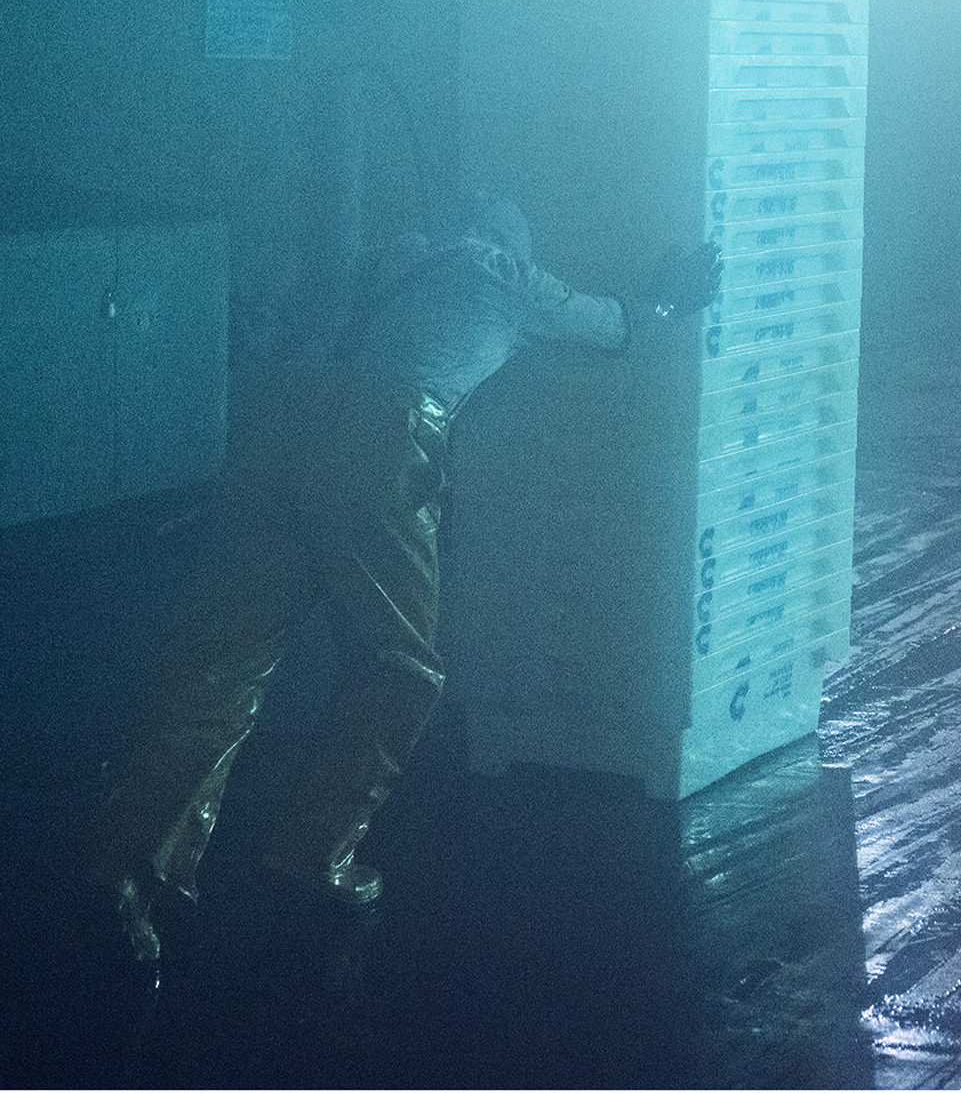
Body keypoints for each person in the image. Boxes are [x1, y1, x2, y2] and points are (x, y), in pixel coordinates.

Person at [88, 190, 721, 967]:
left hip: (274, 424)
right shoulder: (505, 274)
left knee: (218, 669)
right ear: (503, 237)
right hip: (377, 437)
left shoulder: (381, 260)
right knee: (401, 669)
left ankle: (127, 871)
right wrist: (664, 296)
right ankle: (311, 853)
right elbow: (613, 325)